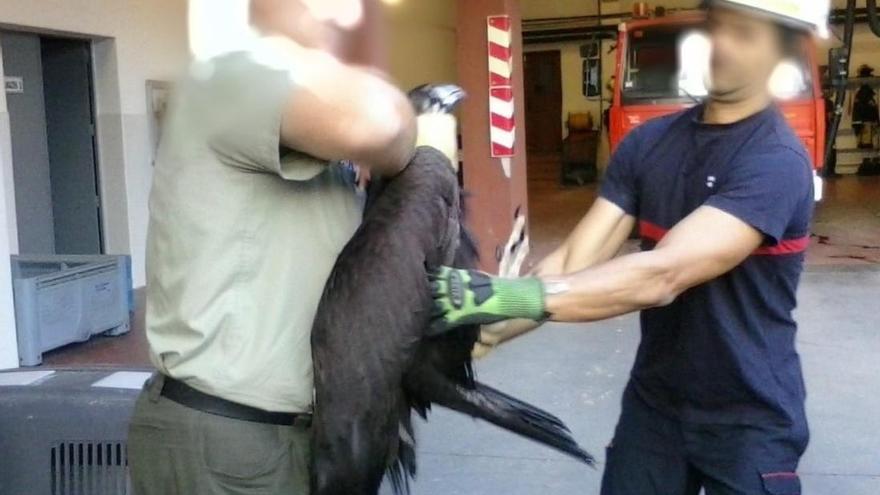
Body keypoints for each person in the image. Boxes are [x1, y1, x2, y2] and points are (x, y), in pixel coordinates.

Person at [431, 1, 829, 494]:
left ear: (783, 53)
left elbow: (663, 274)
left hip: (749, 419)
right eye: (716, 27)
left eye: (744, 34)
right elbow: (576, 260)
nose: (721, 44)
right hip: (656, 408)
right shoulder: (649, 143)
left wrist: (494, 296)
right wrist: (486, 328)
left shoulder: (776, 160)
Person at [128, 0, 455, 493]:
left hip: (275, 438)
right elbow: (379, 124)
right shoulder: (231, 76)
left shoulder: (295, 115)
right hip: (232, 441)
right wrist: (410, 114)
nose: (342, 15)